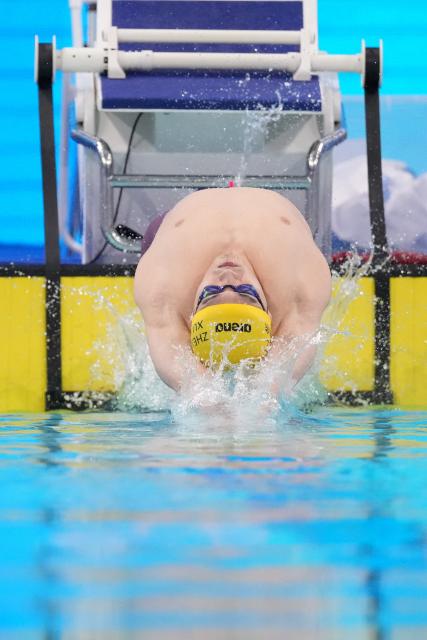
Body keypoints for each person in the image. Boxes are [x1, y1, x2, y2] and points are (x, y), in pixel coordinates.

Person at [134, 187, 331, 391]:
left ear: (191, 317)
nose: (228, 276)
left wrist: (206, 400)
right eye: (246, 290)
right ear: (269, 313)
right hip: (273, 213)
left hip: (180, 220)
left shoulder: (162, 291)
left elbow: (172, 359)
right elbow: (290, 356)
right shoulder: (300, 289)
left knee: (154, 234)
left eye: (211, 292)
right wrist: (267, 395)